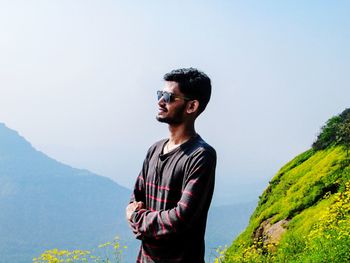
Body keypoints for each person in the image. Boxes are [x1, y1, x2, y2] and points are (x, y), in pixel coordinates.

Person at [126, 68, 216, 263]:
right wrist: (138, 216)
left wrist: (138, 219)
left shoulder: (201, 156)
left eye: (168, 96)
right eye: (160, 94)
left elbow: (181, 218)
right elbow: (134, 201)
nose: (160, 101)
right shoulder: (154, 150)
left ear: (191, 106)